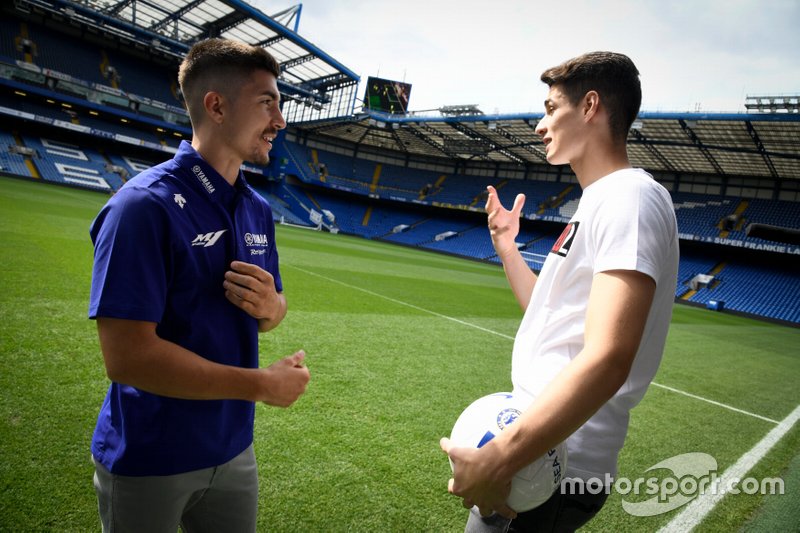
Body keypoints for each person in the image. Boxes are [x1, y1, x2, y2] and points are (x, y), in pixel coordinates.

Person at [441, 51, 679, 531]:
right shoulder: (600, 201)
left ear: (590, 106)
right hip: (538, 449)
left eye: (551, 109)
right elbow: (550, 316)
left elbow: (609, 356)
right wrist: (507, 248)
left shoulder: (629, 199)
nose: (538, 125)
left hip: (550, 463)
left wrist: (502, 457)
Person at [88, 38, 310, 532]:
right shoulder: (142, 206)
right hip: (150, 455)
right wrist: (261, 386)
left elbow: (270, 314)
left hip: (233, 449)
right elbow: (127, 358)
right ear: (216, 105)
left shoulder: (257, 209)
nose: (281, 120)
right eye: (267, 102)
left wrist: (273, 306)